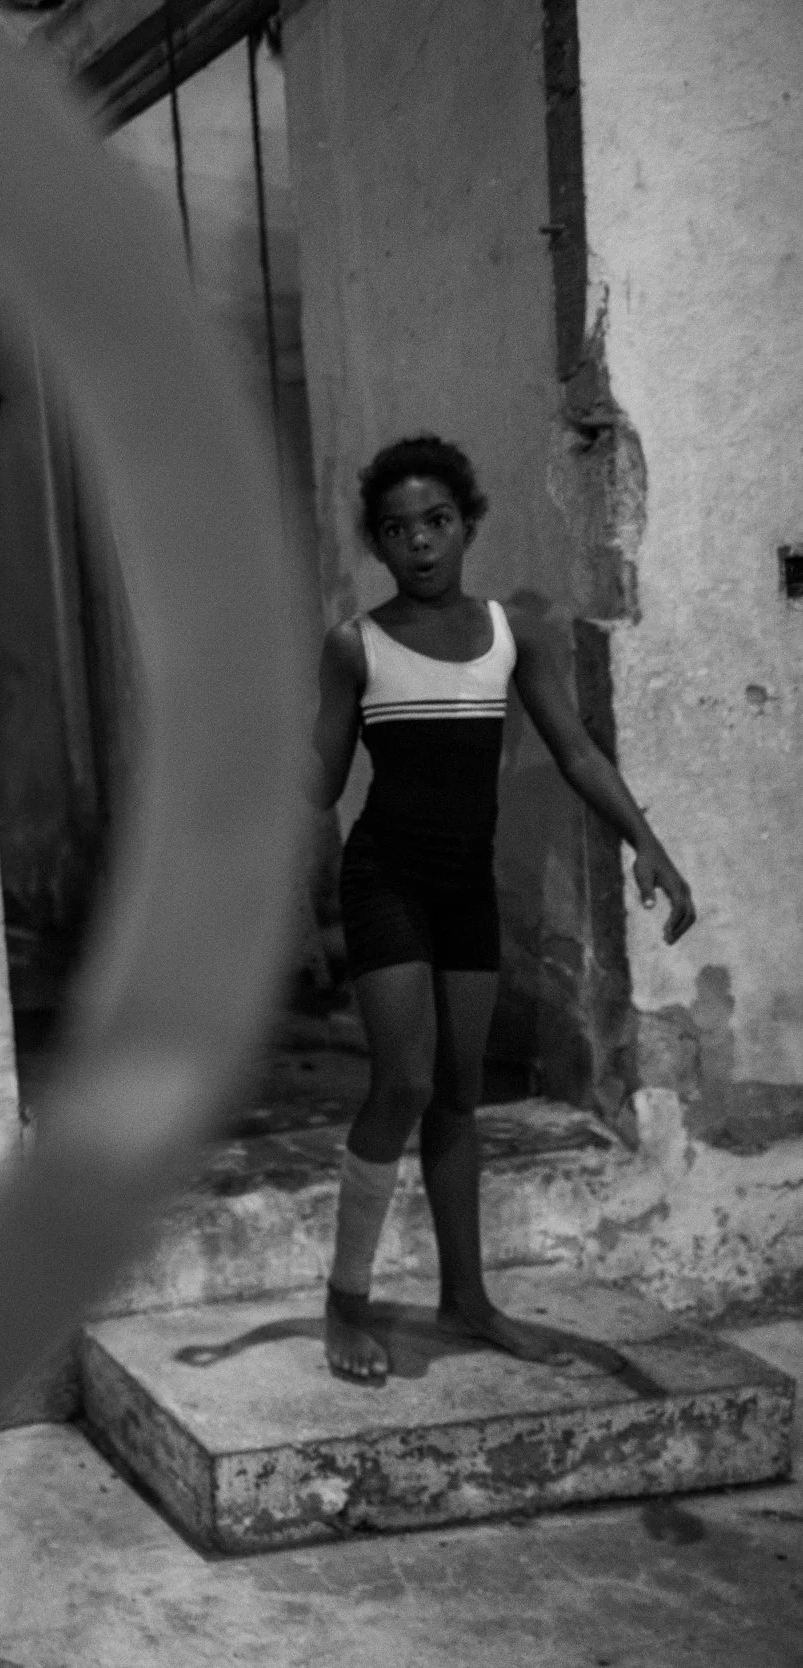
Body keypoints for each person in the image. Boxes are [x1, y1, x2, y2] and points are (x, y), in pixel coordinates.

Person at [311, 434, 696, 1386]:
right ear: (378, 542)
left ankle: (468, 1299)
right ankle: (345, 1303)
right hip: (386, 882)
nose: (421, 544)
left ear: (468, 524)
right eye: (398, 530)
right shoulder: (355, 646)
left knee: (456, 1093)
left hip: (465, 887)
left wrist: (649, 845)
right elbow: (317, 786)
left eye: (437, 522)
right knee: (402, 1082)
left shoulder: (509, 636)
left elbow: (579, 754)